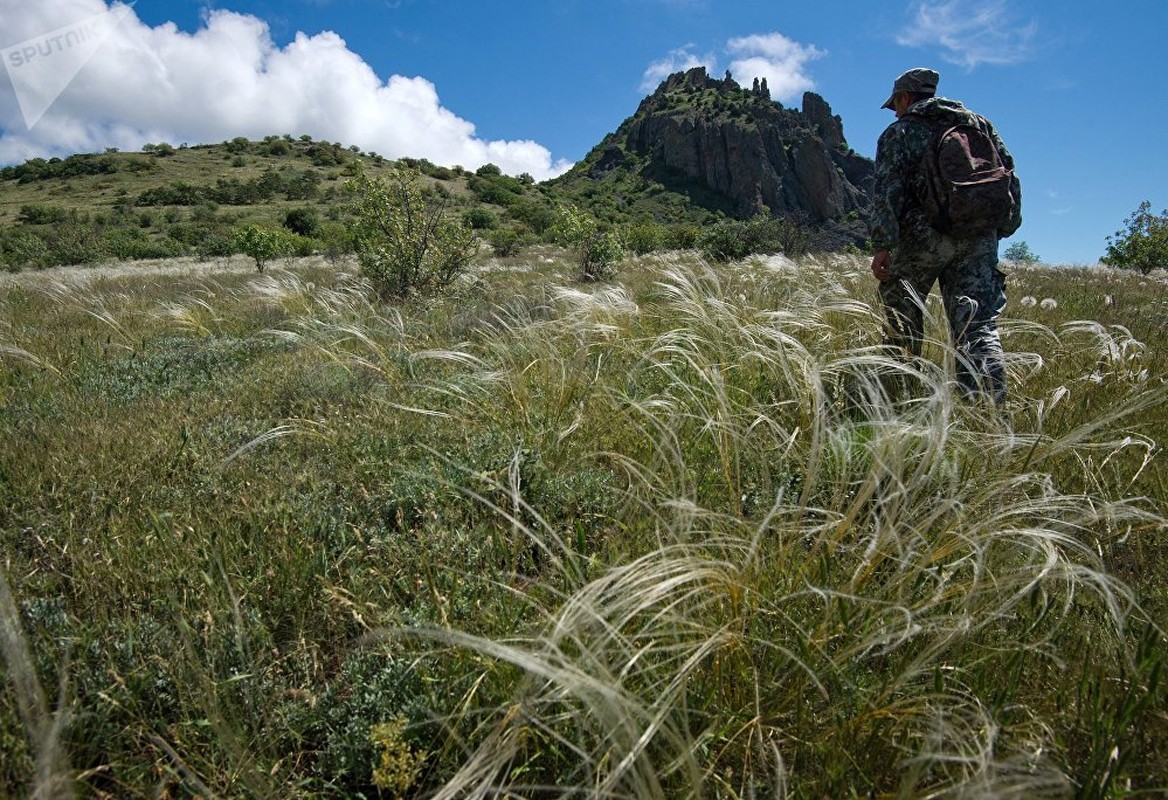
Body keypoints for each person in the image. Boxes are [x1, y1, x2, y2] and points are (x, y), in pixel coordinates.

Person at [869, 67, 1021, 404]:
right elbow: (1009, 176)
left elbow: (886, 192)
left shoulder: (900, 132)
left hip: (922, 240)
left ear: (905, 97)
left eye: (895, 103)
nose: (894, 111)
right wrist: (1003, 228)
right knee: (977, 328)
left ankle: (902, 402)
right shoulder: (980, 126)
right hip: (979, 238)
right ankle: (987, 413)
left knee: (902, 323)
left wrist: (882, 245)